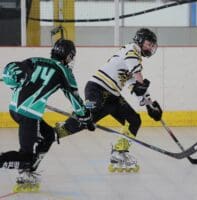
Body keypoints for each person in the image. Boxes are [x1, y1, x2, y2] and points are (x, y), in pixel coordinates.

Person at [55, 28, 163, 173]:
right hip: (97, 88)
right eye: (149, 44)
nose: (150, 48)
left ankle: (119, 153)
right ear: (140, 41)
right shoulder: (132, 50)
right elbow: (138, 77)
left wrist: (150, 106)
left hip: (112, 96)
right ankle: (56, 132)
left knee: (134, 120)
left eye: (152, 45)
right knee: (89, 115)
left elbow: (136, 86)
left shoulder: (134, 58)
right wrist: (142, 88)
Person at [0, 39, 95, 192]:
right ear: (68, 56)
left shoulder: (35, 60)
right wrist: (87, 119)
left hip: (14, 109)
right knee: (26, 157)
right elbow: (76, 101)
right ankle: (26, 168)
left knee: (49, 135)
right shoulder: (65, 72)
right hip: (29, 115)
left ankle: (28, 171)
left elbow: (10, 75)